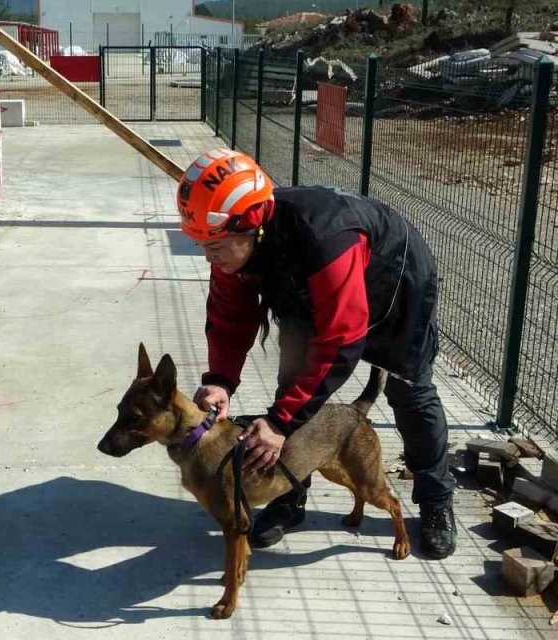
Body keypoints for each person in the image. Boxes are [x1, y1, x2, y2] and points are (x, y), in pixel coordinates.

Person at [178, 149, 457, 559]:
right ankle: (288, 496)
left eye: (213, 245)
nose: (207, 257)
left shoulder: (327, 238)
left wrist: (279, 421)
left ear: (250, 226)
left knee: (410, 393)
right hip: (310, 292)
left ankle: (435, 500)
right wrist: (219, 378)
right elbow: (228, 315)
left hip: (395, 289)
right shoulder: (236, 247)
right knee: (292, 383)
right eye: (201, 244)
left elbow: (342, 340)